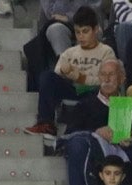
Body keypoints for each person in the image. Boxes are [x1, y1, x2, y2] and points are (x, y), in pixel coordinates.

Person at [28, 5, 117, 138]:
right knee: (47, 77)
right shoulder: (70, 52)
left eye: (85, 31)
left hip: (95, 93)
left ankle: (76, 134)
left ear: (96, 29)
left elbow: (108, 79)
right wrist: (65, 72)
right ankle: (46, 123)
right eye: (77, 32)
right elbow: (58, 72)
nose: (81, 36)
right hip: (73, 89)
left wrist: (81, 77)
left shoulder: (106, 51)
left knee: (101, 88)